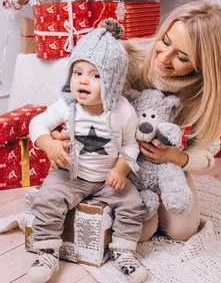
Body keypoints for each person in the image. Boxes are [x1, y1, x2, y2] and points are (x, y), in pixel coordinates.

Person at [52, 0, 221, 242]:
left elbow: (208, 154)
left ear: (203, 65)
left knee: (183, 232)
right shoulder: (128, 58)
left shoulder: (205, 95)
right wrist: (64, 127)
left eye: (182, 57)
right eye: (165, 42)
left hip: (164, 166)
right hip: (115, 160)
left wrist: (176, 158)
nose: (165, 58)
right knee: (141, 231)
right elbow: (78, 94)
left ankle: (156, 198)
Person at [27, 19, 147, 283]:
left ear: (114, 82)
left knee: (133, 204)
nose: (83, 81)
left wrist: (121, 168)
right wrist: (48, 143)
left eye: (95, 75)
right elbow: (37, 123)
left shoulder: (123, 110)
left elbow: (130, 144)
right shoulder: (67, 105)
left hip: (108, 180)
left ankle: (125, 252)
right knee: (47, 199)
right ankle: (46, 251)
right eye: (77, 72)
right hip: (70, 174)